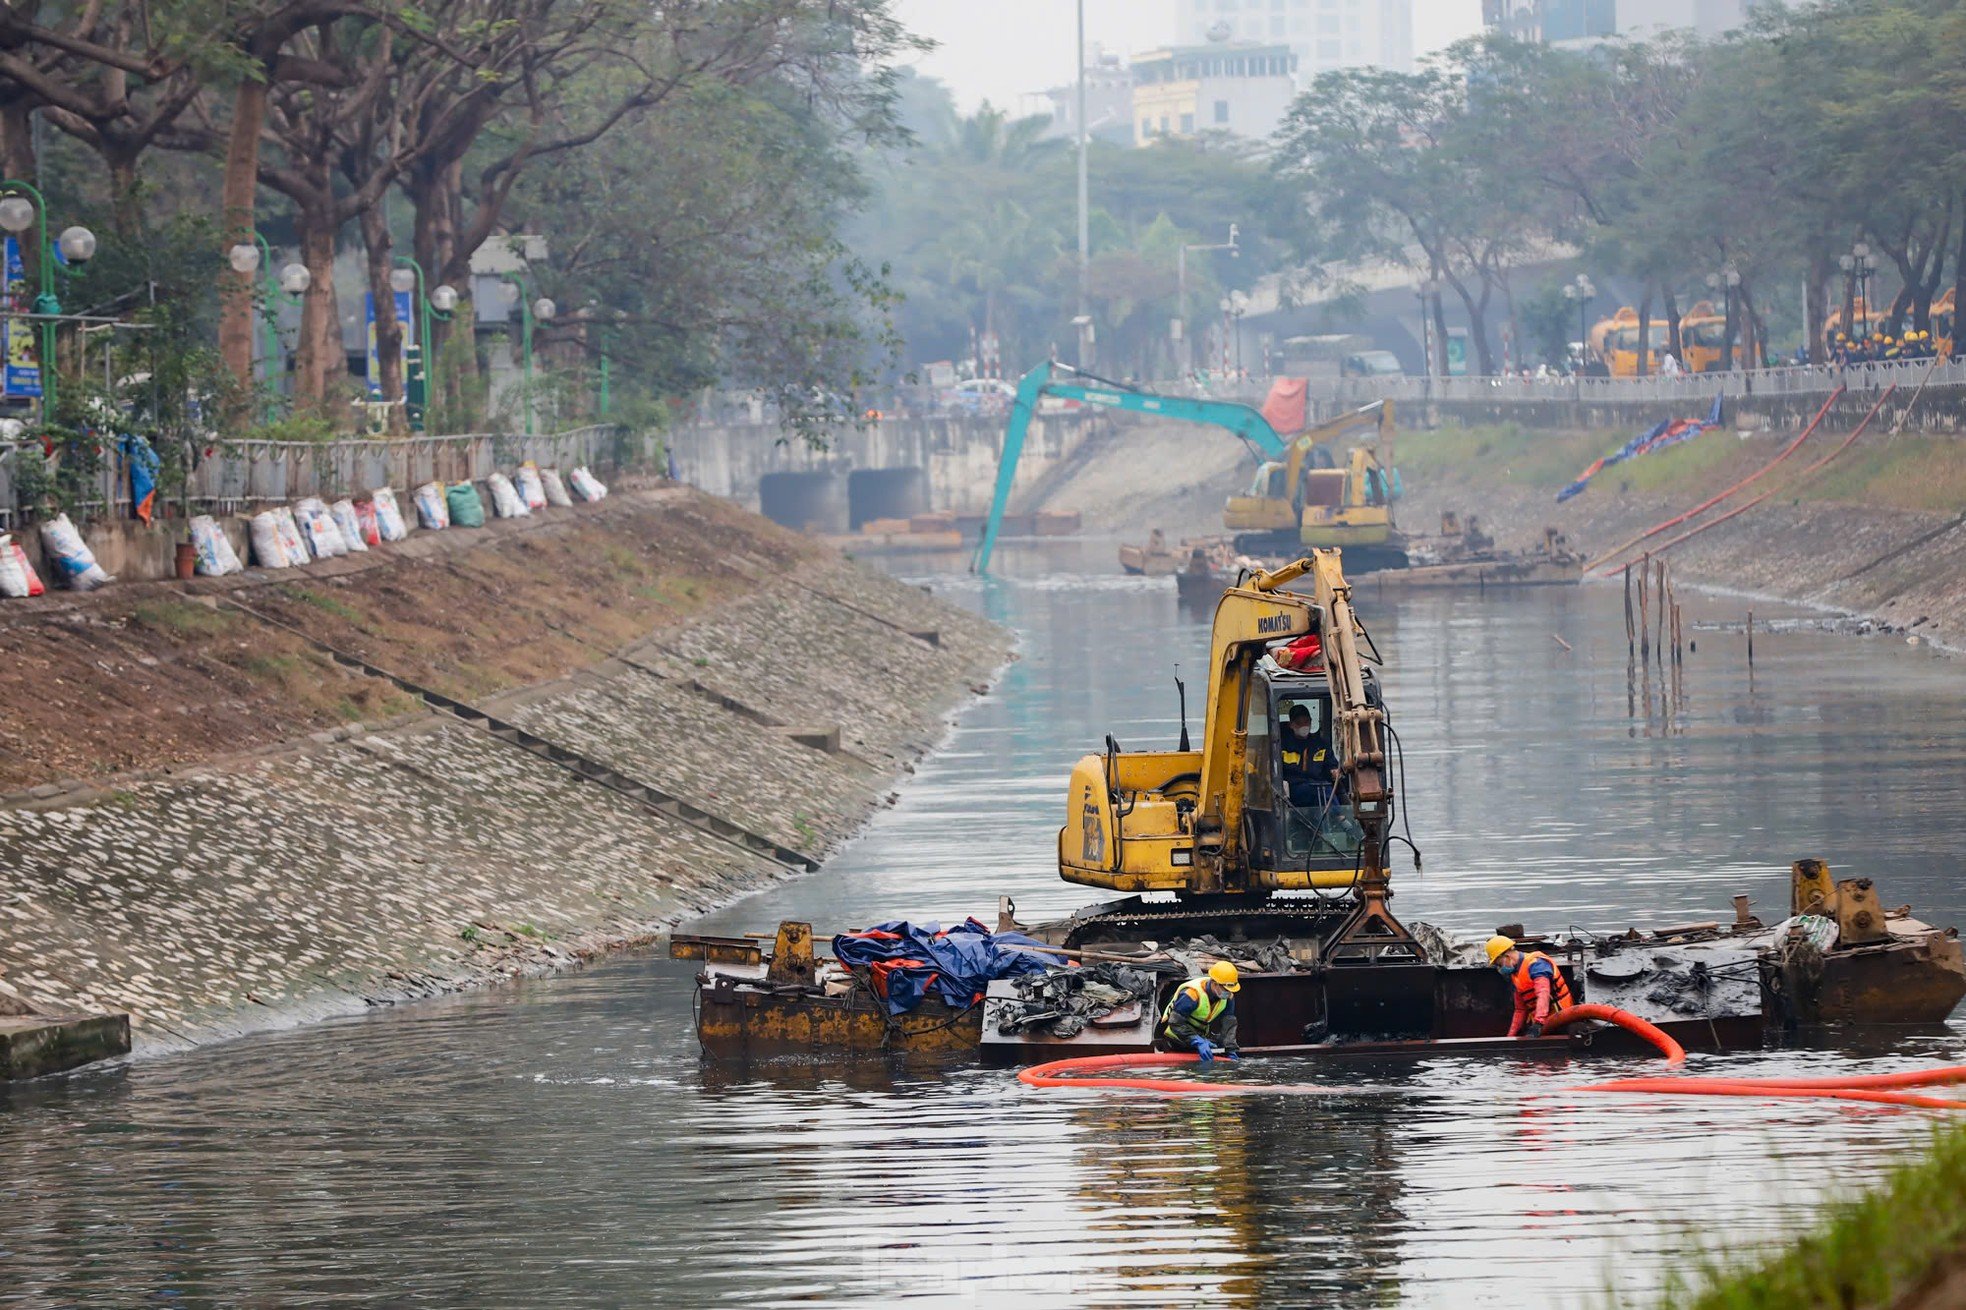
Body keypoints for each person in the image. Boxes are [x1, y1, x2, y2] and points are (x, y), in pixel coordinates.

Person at [1486, 935, 1574, 1038]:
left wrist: (1538, 1023)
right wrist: (1510, 1036)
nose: (1500, 968)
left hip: (1562, 1018)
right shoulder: (1516, 975)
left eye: (1499, 964)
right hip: (1542, 1022)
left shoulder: (1536, 965)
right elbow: (1520, 1009)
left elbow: (1543, 993)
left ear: (1507, 957)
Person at [1159, 961, 1241, 1063]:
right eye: (1226, 989)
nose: (1228, 993)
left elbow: (1229, 1024)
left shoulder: (1228, 997)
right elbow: (1175, 1023)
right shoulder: (1191, 995)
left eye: (1230, 989)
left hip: (1201, 1041)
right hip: (1176, 1041)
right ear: (1215, 984)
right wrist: (1197, 1041)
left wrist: (1230, 1049)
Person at [1279, 703, 1336, 808]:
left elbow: (1331, 765)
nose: (1303, 726)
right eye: (1298, 723)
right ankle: (1338, 818)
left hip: (1319, 786)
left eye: (1306, 722)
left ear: (1310, 721)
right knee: (1320, 793)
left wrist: (1335, 771)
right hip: (1293, 789)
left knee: (1327, 790)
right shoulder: (1282, 746)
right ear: (1291, 725)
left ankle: (1338, 818)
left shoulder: (1321, 745)